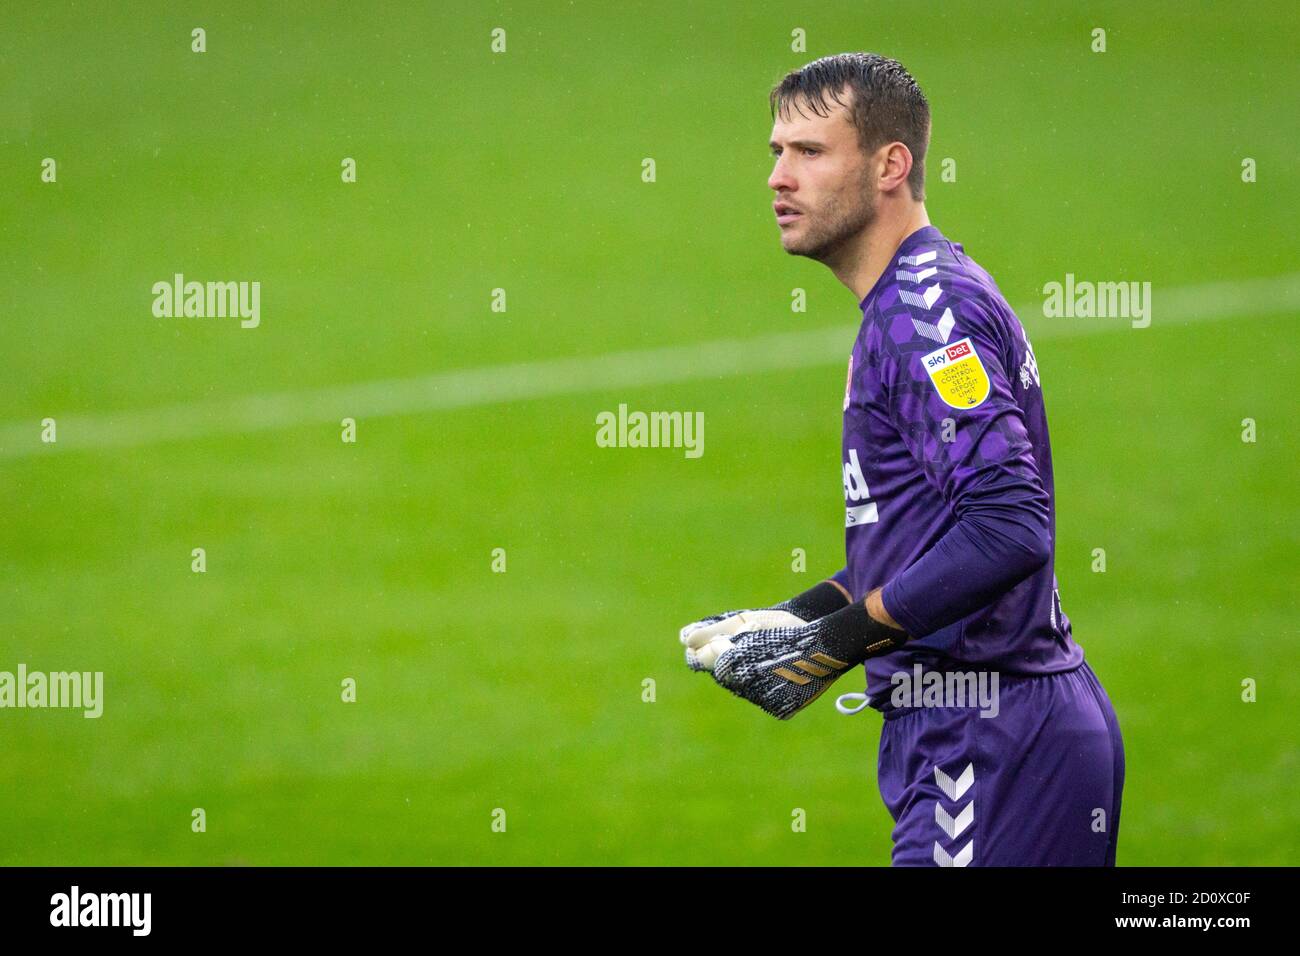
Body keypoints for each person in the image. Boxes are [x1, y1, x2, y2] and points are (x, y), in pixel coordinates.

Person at [679, 53, 1124, 867]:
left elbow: (1009, 526)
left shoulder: (925, 313)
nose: (779, 177)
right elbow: (932, 538)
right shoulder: (907, 305)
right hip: (984, 733)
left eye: (810, 153)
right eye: (775, 152)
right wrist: (799, 621)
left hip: (987, 741)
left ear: (891, 164)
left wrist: (839, 643)